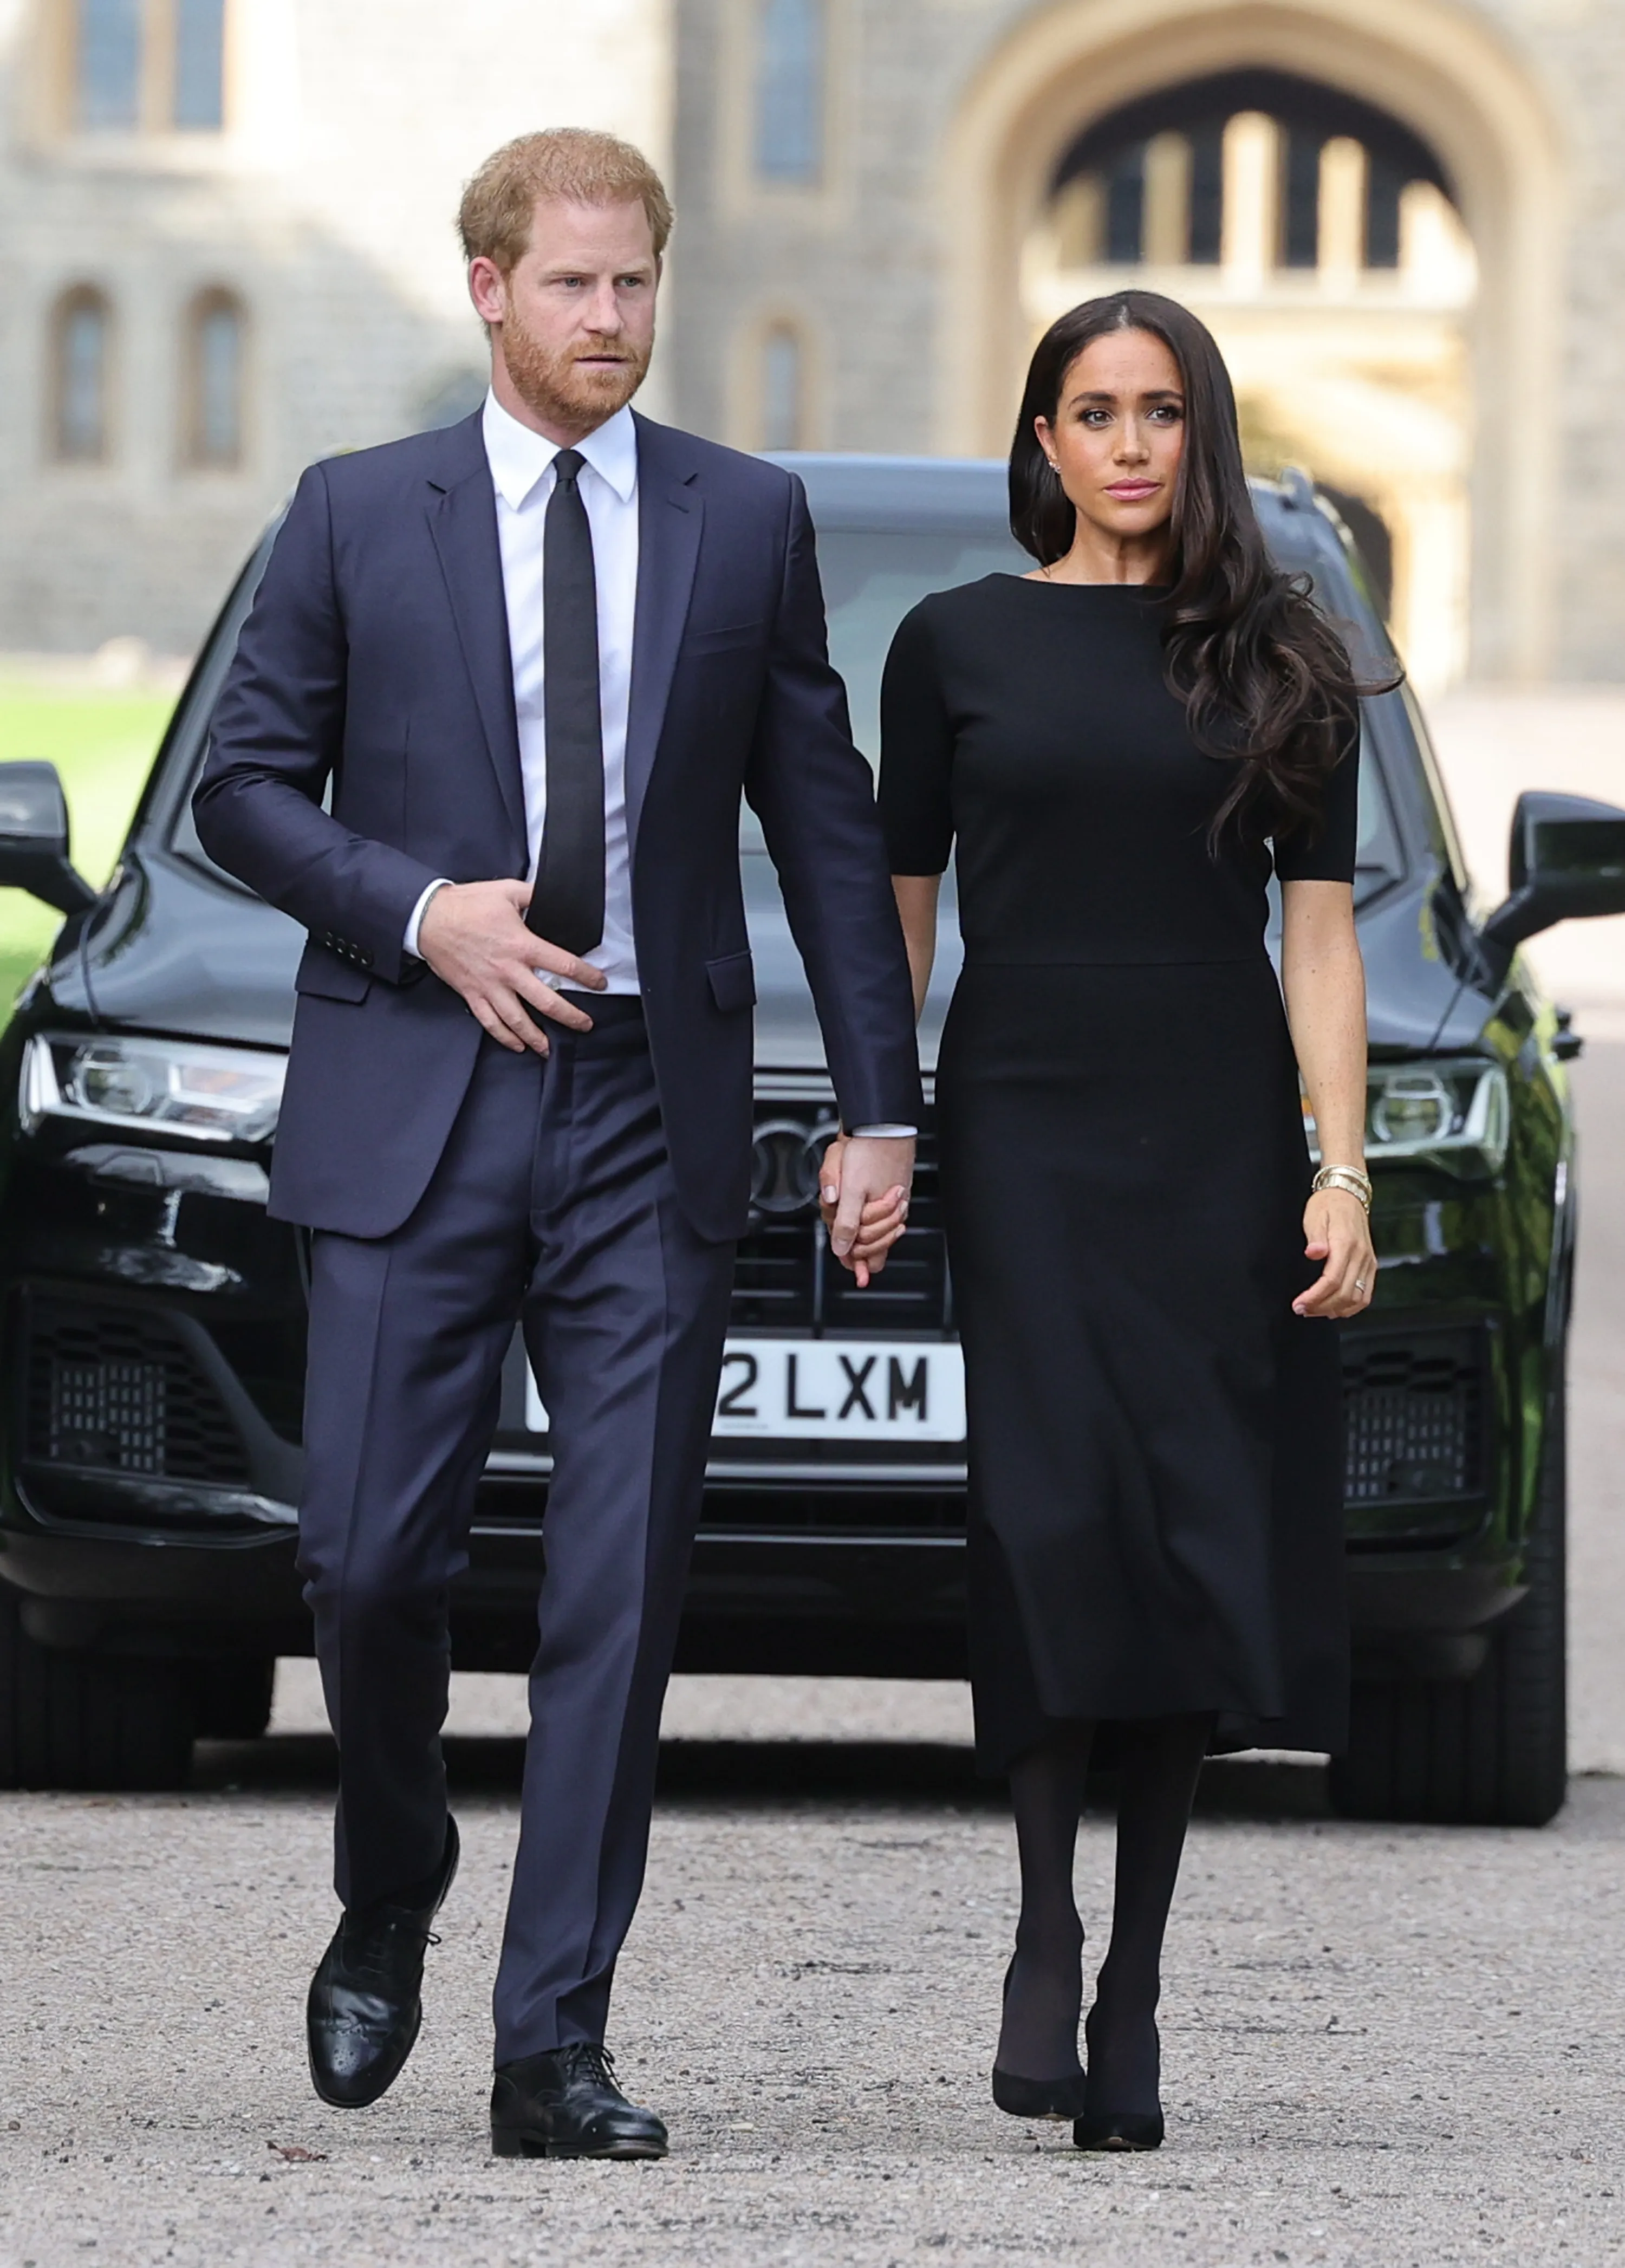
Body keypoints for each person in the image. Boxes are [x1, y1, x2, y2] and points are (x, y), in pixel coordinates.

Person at [194, 128, 920, 2162]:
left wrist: (882, 1102)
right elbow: (242, 790)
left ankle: (553, 2043)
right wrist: (424, 912)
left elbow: (825, 823)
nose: (611, 318)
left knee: (618, 1587)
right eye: (575, 284)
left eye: (637, 283)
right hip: (416, 1098)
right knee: (364, 1563)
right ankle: (394, 1872)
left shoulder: (743, 518)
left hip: (644, 1112)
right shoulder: (356, 513)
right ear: (491, 289)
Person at [857, 288, 1374, 2153]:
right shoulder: (953, 644)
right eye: (1096, 411)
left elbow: (1321, 940)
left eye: (1162, 410)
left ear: (1199, 432)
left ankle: (1135, 1982)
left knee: (1182, 1537)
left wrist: (1341, 1169)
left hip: (1214, 1137)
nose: (1131, 443)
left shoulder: (1285, 655)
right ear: (1046, 439)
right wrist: (880, 1123)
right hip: (1025, 1125)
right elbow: (899, 916)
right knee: (1049, 1511)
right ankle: (1042, 1916)